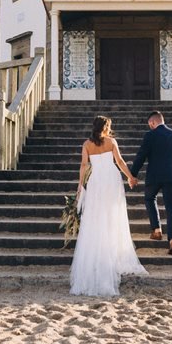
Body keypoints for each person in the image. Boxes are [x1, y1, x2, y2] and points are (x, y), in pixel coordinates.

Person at [69, 115, 147, 296]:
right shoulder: (111, 141)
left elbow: (83, 165)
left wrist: (80, 185)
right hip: (111, 179)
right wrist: (130, 176)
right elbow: (119, 162)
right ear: (105, 127)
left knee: (96, 215)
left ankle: (100, 252)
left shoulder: (87, 144)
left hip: (97, 180)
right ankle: (114, 250)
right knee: (113, 214)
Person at [130, 110, 172, 256]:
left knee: (149, 198)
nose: (150, 127)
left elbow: (141, 155)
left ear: (153, 122)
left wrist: (132, 174)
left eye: (150, 124)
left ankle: (156, 230)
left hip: (154, 175)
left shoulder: (150, 135)